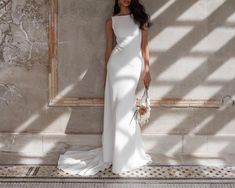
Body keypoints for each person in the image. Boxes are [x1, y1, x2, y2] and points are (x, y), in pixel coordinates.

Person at [57, 0, 153, 176]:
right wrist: (107, 72)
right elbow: (109, 49)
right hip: (115, 66)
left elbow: (144, 46)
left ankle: (126, 154)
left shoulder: (141, 19)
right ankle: (118, 155)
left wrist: (147, 70)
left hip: (133, 66)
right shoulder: (111, 21)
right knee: (118, 109)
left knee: (125, 108)